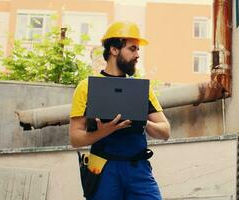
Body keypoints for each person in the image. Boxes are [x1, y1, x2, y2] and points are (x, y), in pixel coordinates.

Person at [69, 21, 171, 200]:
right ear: (114, 50)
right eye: (132, 49)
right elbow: (75, 139)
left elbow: (165, 131)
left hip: (137, 169)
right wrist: (105, 131)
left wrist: (142, 121)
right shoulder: (86, 88)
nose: (137, 55)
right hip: (103, 170)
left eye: (138, 50)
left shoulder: (141, 90)